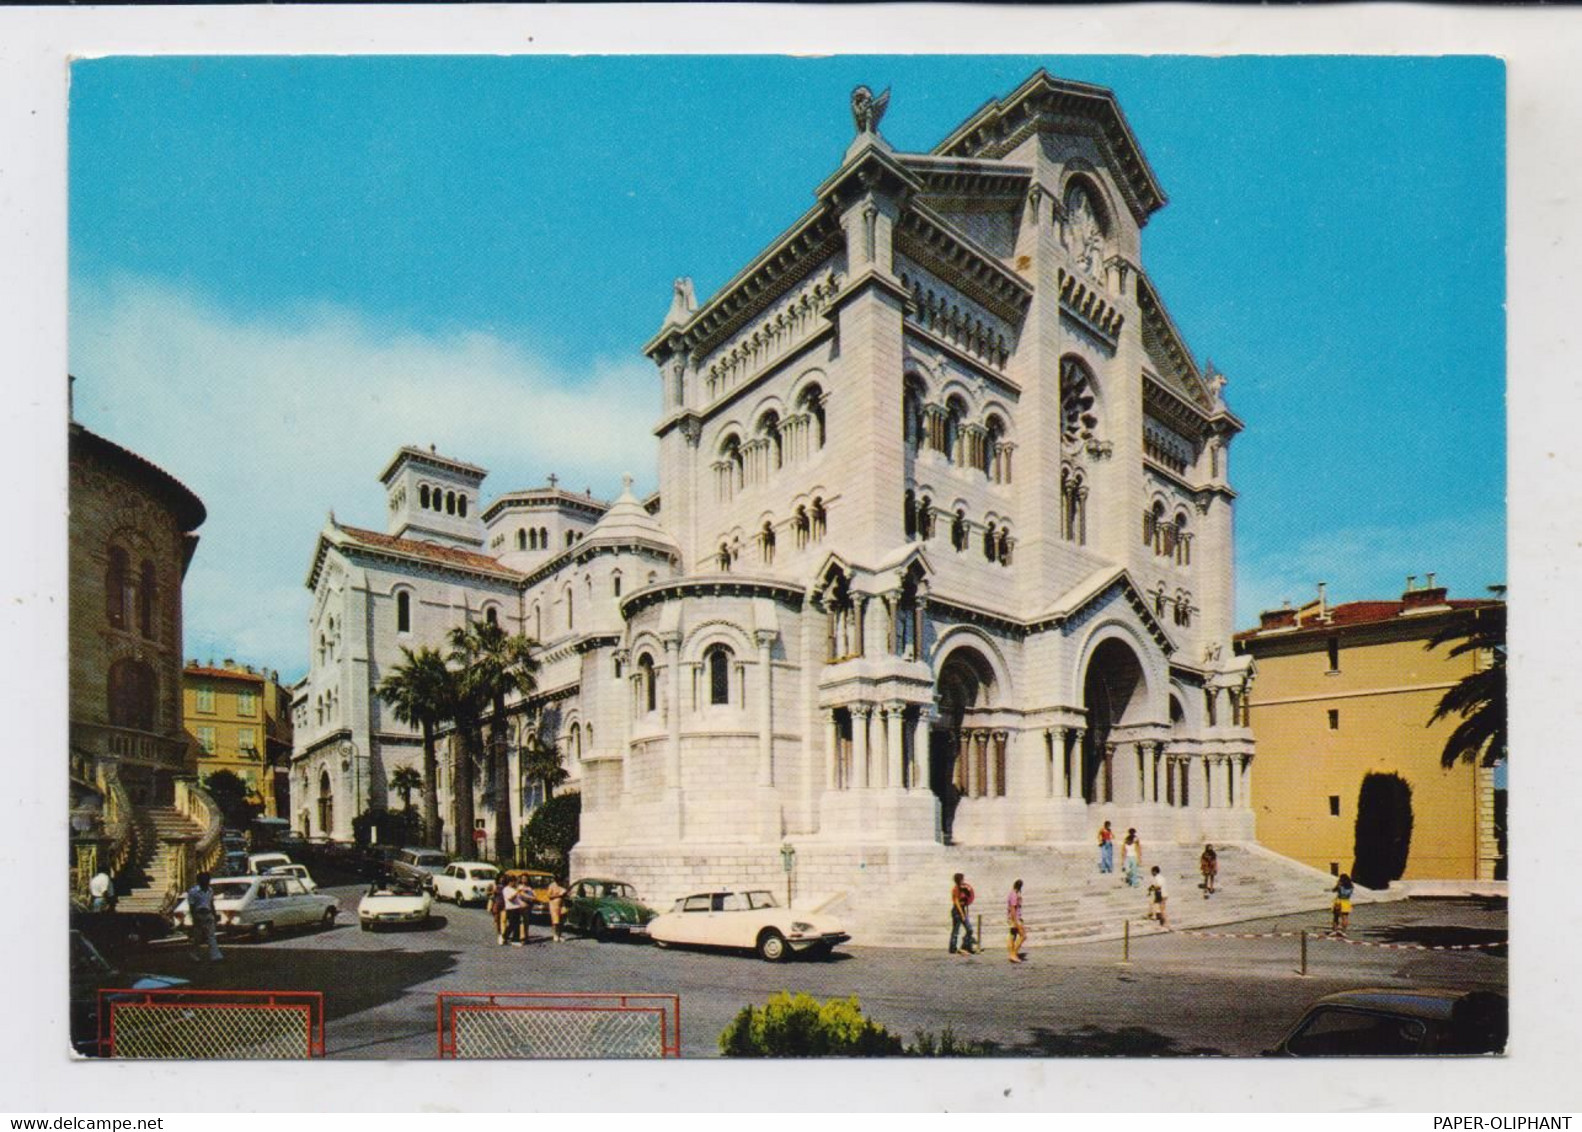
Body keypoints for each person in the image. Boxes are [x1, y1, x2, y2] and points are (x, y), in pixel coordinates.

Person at [186, 872, 222, 961]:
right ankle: (194, 954)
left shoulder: (210, 890)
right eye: (204, 880)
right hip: (199, 914)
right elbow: (192, 906)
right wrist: (194, 918)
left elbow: (211, 903)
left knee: (211, 935)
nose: (206, 882)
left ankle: (215, 955)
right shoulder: (193, 891)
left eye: (207, 880)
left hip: (208, 914)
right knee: (197, 937)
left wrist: (214, 914)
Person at [949, 873, 977, 955]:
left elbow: (968, 896)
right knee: (956, 930)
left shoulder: (962, 888)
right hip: (957, 911)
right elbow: (957, 902)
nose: (963, 880)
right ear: (959, 880)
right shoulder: (956, 889)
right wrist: (962, 914)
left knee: (969, 929)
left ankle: (966, 945)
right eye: (962, 879)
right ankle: (953, 948)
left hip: (963, 910)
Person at [503, 876, 530, 946]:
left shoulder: (513, 889)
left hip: (517, 908)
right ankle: (506, 937)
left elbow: (517, 899)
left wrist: (522, 904)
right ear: (510, 882)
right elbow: (510, 898)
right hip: (511, 908)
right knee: (512, 924)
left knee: (516, 924)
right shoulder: (506, 889)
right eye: (514, 881)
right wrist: (517, 891)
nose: (515, 883)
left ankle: (513, 939)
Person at [1006, 879, 1028, 963]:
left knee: (1013, 937)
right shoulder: (1014, 895)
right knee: (1023, 936)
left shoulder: (1013, 894)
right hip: (1015, 919)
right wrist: (1016, 922)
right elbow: (1013, 909)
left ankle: (1012, 954)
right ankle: (1013, 954)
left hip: (1014, 918)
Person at [546, 877, 568, 942]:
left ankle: (560, 934)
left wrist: (565, 894)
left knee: (562, 920)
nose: (560, 882)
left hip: (562, 905)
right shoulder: (552, 885)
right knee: (556, 922)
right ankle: (555, 934)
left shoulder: (564, 885)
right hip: (554, 905)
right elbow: (549, 895)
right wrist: (558, 895)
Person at [1147, 865, 1169, 930]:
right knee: (1157, 908)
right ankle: (1161, 923)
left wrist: (1152, 888)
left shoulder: (1158, 878)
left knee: (1162, 911)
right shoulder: (1159, 877)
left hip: (1162, 895)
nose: (1151, 873)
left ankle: (1166, 924)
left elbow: (1158, 886)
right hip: (1160, 895)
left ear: (1155, 871)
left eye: (1152, 872)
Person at [489, 874, 508, 945]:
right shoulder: (495, 885)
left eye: (503, 878)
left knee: (504, 920)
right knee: (497, 921)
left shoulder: (507, 886)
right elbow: (489, 894)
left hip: (505, 905)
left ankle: (503, 936)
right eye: (500, 878)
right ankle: (499, 933)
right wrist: (492, 892)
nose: (502, 879)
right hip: (496, 904)